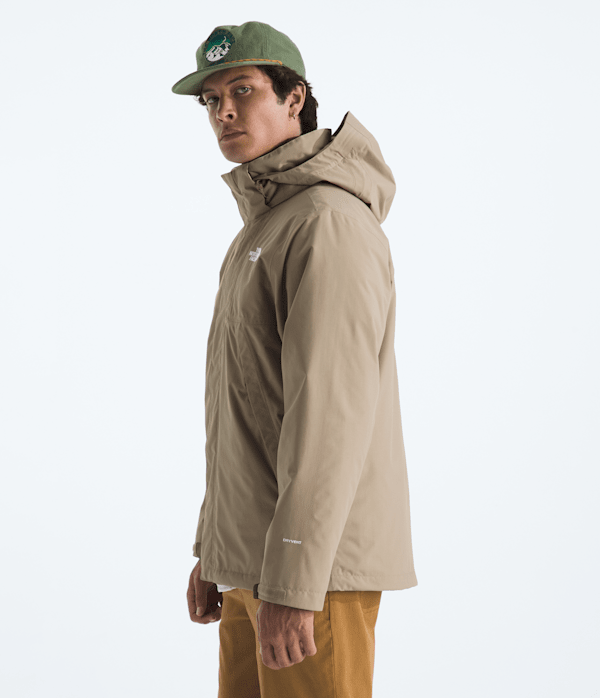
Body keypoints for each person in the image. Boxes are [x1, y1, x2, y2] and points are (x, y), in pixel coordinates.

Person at [172, 20, 418, 698]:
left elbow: (329, 418)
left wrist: (295, 580)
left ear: (294, 98)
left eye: (242, 91)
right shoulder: (265, 229)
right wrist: (214, 547)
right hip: (256, 564)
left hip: (312, 576)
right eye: (211, 99)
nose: (223, 111)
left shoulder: (327, 223)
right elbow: (248, 409)